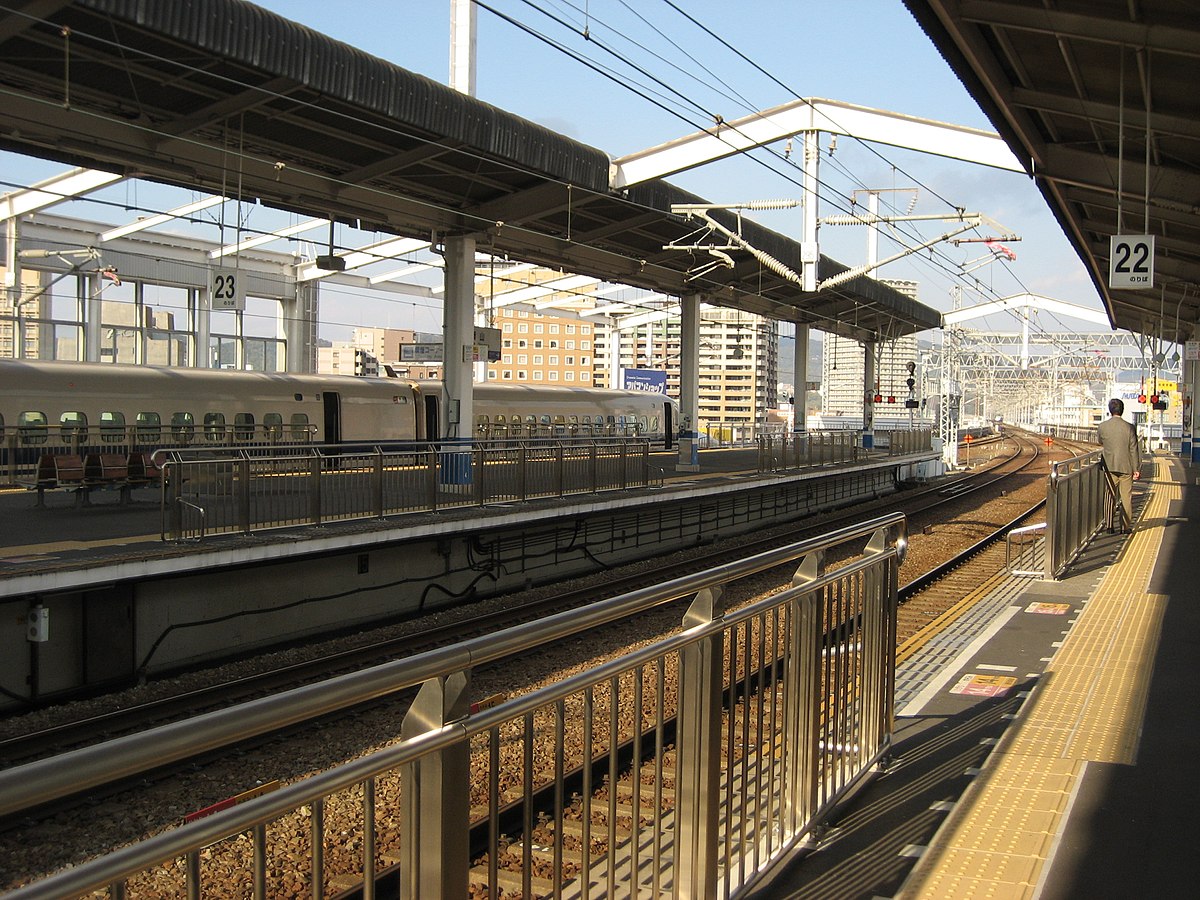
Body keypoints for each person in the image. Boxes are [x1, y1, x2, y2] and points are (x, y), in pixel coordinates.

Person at [1097, 398, 1141, 532]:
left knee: (1109, 495)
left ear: (1110, 411)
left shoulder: (1102, 426)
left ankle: (1109, 526)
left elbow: (1100, 442)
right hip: (1126, 467)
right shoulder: (1129, 427)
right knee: (1126, 497)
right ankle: (1125, 526)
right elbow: (1134, 449)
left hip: (1109, 466)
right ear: (1122, 410)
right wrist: (1136, 469)